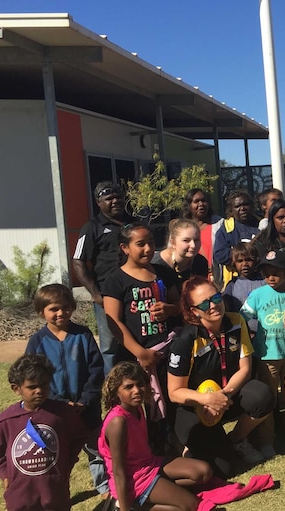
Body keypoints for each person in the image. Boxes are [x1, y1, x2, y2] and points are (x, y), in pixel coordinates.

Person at [168, 277, 274, 475]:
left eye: (216, 297)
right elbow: (174, 393)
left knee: (262, 396)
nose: (213, 305)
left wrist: (223, 395)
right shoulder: (185, 340)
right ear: (193, 311)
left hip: (225, 395)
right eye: (204, 303)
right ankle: (180, 444)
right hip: (194, 406)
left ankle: (237, 439)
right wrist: (207, 400)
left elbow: (245, 369)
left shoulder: (236, 321)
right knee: (223, 470)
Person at [25, 284, 107, 497]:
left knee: (96, 449)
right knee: (56, 452)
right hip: (54, 412)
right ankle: (57, 491)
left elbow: (96, 369)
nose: (60, 313)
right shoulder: (37, 342)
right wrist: (59, 402)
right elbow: (33, 377)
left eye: (65, 307)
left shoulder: (83, 335)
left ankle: (104, 486)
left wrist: (86, 399)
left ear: (72, 307)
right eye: (54, 309)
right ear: (41, 312)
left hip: (86, 409)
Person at [101, 362, 212, 510]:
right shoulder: (118, 422)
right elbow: (119, 471)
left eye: (140, 385)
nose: (137, 390)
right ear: (116, 391)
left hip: (149, 464)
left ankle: (155, 494)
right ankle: (129, 505)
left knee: (204, 472)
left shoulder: (137, 408)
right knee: (189, 506)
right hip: (133, 479)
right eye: (129, 387)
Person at [0, 354, 87, 511]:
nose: (39, 391)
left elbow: (78, 436)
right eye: (32, 387)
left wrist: (67, 462)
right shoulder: (7, 420)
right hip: (21, 496)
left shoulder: (61, 414)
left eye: (44, 385)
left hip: (54, 493)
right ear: (16, 389)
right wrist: (5, 475)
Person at [102, 222, 180, 426]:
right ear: (125, 248)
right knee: (136, 407)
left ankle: (166, 444)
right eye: (141, 244)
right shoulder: (115, 280)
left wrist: (170, 309)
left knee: (167, 405)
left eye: (152, 242)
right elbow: (114, 321)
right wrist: (140, 352)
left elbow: (181, 304)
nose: (148, 249)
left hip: (165, 354)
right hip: (133, 357)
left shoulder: (163, 273)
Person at [240, 249, 285, 456]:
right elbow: (243, 317)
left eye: (275, 272)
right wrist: (250, 336)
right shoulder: (258, 294)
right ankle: (267, 440)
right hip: (267, 355)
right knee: (269, 398)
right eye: (266, 273)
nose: (270, 277)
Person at [73, 180, 134, 375]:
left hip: (135, 294)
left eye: (118, 197)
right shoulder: (91, 228)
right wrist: (95, 294)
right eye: (109, 198)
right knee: (110, 347)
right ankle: (112, 390)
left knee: (137, 340)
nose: (115, 201)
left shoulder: (134, 224)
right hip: (107, 297)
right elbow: (78, 261)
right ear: (99, 202)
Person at [214, 190, 262, 287]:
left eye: (246, 204)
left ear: (252, 206)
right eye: (237, 206)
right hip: (236, 282)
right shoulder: (226, 229)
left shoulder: (262, 225)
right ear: (231, 210)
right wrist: (245, 251)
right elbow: (220, 255)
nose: (243, 208)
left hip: (262, 279)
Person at [152, 218, 210, 295]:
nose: (193, 245)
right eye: (186, 240)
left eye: (196, 240)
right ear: (173, 242)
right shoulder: (156, 265)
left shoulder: (200, 262)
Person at [181, 188, 222, 284]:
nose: (201, 204)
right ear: (189, 205)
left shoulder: (220, 224)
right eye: (196, 201)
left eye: (204, 201)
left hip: (217, 280)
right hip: (191, 280)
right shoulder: (181, 228)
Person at [222, 243, 266, 312]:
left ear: (255, 261)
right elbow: (225, 307)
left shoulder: (264, 281)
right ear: (234, 263)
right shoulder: (232, 285)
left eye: (249, 260)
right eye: (240, 261)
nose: (245, 264)